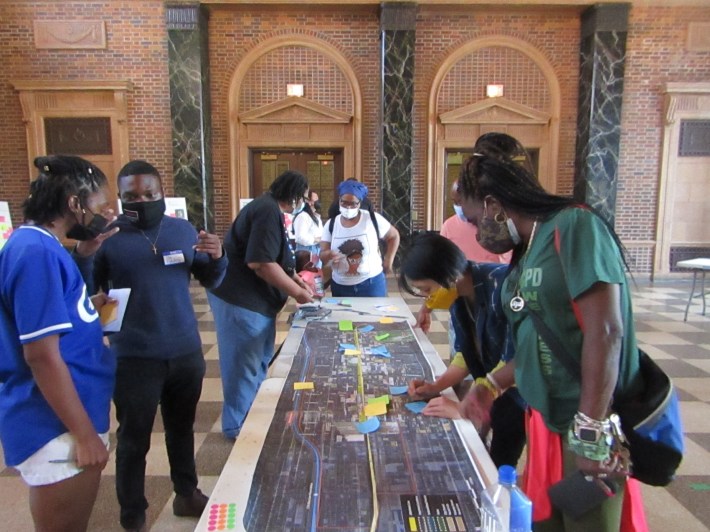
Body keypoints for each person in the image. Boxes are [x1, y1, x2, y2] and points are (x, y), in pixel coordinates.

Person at [457, 149, 647, 530]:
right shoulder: (527, 252)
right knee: (548, 523)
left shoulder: (574, 226)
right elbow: (535, 342)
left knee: (589, 523)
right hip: (545, 421)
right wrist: (489, 385)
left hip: (584, 424)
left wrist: (590, 435)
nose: (477, 234)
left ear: (494, 204)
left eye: (476, 220)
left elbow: (606, 331)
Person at [80, 160, 227, 531]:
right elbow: (86, 292)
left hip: (184, 350)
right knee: (133, 440)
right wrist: (84, 253)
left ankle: (186, 493)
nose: (142, 200)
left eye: (150, 194)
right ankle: (133, 516)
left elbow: (208, 278)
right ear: (120, 196)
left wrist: (218, 256)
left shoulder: (181, 230)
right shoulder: (109, 237)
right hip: (134, 356)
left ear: (162, 194)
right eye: (132, 196)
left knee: (182, 428)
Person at [0, 155, 117, 531]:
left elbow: (58, 314)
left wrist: (87, 295)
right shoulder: (36, 252)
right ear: (74, 204)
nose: (104, 213)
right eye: (99, 205)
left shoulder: (44, 245)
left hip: (66, 416)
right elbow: (41, 356)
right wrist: (84, 435)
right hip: (55, 426)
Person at [399, 234, 526, 468]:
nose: (427, 299)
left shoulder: (504, 286)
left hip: (516, 392)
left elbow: (516, 359)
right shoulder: (459, 294)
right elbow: (465, 354)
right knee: (481, 449)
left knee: (499, 463)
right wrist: (436, 386)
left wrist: (463, 407)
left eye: (427, 289)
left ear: (447, 274)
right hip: (489, 387)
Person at [208, 170, 314, 440]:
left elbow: (277, 258)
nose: (304, 204)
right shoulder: (267, 211)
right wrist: (297, 294)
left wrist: (298, 283)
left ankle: (250, 416)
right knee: (244, 363)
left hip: (255, 303)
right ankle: (238, 427)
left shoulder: (270, 211)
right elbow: (261, 264)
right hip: (241, 300)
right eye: (302, 198)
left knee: (256, 362)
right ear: (294, 195)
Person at [320, 180, 400, 297]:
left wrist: (389, 259)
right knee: (344, 316)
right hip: (341, 287)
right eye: (344, 202)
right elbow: (322, 255)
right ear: (339, 200)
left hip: (371, 284)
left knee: (374, 315)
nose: (348, 207)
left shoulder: (372, 219)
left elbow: (394, 236)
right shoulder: (331, 224)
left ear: (360, 203)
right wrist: (328, 254)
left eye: (353, 203)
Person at [440, 180, 510, 263]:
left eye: (462, 202)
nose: (459, 207)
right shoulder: (448, 226)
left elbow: (507, 263)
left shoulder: (497, 223)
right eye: (455, 202)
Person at [293, 190, 323, 261]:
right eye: (314, 200)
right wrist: (316, 239)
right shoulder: (303, 216)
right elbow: (299, 237)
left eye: (317, 200)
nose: (317, 203)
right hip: (306, 251)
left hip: (316, 250)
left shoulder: (316, 217)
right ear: (308, 202)